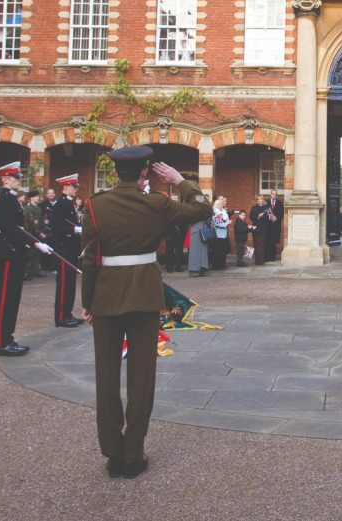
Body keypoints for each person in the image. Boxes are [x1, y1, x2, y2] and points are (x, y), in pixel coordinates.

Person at [80, 145, 212, 480]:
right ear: (143, 173)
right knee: (141, 377)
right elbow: (202, 209)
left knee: (106, 377)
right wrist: (180, 180)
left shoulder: (95, 205)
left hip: (106, 295)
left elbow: (89, 258)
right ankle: (133, 453)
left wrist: (88, 302)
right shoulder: (156, 203)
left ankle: (113, 451)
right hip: (144, 295)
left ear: (115, 173)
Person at [0, 162, 52, 356]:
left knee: (13, 297)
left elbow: (19, 228)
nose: (18, 180)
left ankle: (7, 337)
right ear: (5, 179)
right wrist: (35, 243)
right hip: (8, 252)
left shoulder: (11, 199)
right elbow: (11, 229)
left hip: (14, 253)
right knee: (6, 298)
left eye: (18, 177)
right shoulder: (6, 200)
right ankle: (1, 342)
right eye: (15, 177)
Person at [50, 175, 83, 327]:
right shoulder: (61, 204)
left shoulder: (68, 203)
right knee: (64, 283)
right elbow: (57, 228)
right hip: (64, 248)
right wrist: (73, 230)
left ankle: (68, 313)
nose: (76, 189)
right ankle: (62, 317)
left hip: (71, 249)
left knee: (70, 283)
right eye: (73, 187)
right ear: (65, 188)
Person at [262, 189, 284, 262]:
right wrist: (269, 217)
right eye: (272, 194)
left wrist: (276, 218)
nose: (274, 195)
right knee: (267, 241)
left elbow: (282, 214)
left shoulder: (280, 203)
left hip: (275, 226)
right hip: (267, 225)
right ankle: (267, 258)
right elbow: (264, 212)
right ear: (270, 195)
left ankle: (272, 257)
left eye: (275, 194)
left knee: (273, 242)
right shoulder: (266, 203)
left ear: (276, 195)